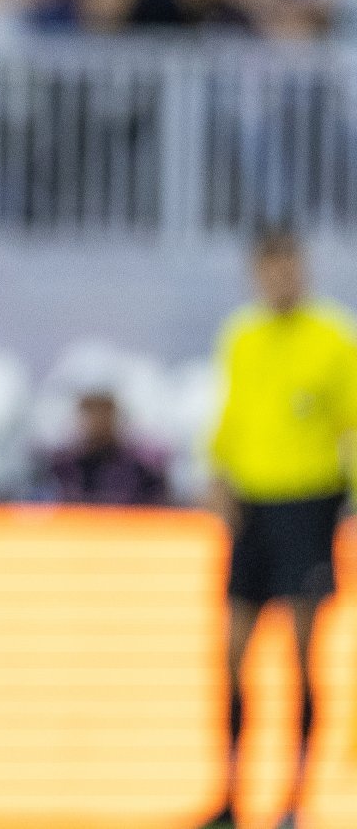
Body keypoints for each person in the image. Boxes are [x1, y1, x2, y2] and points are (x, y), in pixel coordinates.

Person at [201, 228, 357, 829]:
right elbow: (230, 420)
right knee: (233, 652)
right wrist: (218, 477)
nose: (281, 277)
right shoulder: (242, 338)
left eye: (289, 265)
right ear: (257, 272)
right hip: (254, 508)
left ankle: (295, 799)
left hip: (309, 505)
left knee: (300, 654)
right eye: (270, 267)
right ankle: (233, 795)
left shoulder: (333, 338)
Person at [39, 388, 170, 507]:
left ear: (115, 417)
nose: (97, 420)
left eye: (103, 412)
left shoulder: (141, 471)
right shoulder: (61, 468)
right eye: (90, 412)